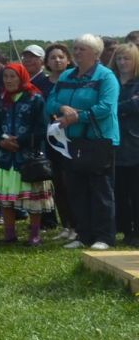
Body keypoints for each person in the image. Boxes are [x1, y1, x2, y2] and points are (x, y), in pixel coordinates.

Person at [47, 35, 120, 250]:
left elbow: (106, 107)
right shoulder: (67, 76)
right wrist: (61, 109)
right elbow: (50, 101)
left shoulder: (106, 77)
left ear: (96, 53)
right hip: (72, 140)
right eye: (76, 48)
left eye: (82, 49)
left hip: (99, 140)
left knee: (100, 190)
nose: (77, 52)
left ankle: (104, 237)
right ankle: (83, 234)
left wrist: (77, 117)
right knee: (76, 189)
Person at [0, 62, 52, 246]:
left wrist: (20, 141)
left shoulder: (35, 98)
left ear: (22, 77)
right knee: (6, 199)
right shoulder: (2, 98)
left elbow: (42, 128)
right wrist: (1, 141)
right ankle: (9, 234)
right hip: (6, 158)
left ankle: (34, 235)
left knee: (33, 200)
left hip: (28, 158)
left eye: (13, 76)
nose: (8, 80)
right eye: (6, 77)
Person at [115, 44, 139, 246]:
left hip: (134, 143)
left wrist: (114, 108)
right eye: (119, 59)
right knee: (120, 191)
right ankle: (126, 229)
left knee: (136, 191)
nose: (123, 63)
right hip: (115, 143)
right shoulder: (113, 82)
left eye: (127, 59)